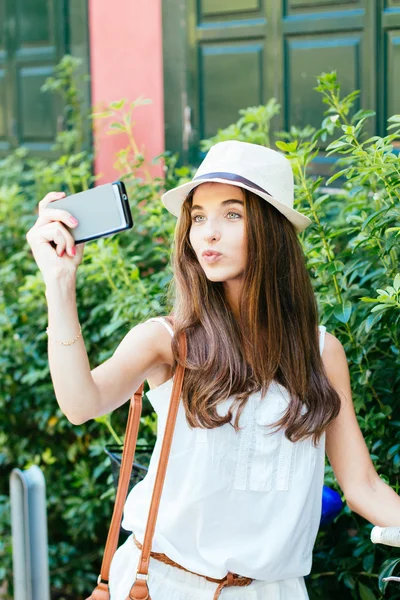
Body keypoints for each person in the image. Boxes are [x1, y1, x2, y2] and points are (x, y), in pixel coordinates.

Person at [26, 141, 400, 600]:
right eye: (198, 216)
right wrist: (59, 283)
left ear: (272, 229)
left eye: (232, 214)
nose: (208, 233)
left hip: (274, 591)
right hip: (163, 585)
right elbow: (81, 404)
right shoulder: (168, 339)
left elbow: (362, 485)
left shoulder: (321, 352)